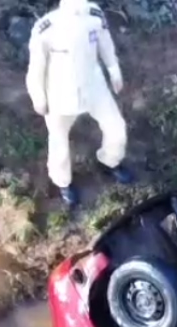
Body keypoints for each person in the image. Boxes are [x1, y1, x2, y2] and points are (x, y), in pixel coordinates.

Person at [25, 0, 135, 208]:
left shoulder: (94, 15)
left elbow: (104, 42)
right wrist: (38, 96)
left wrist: (113, 70)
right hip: (60, 92)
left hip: (93, 85)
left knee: (117, 129)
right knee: (58, 141)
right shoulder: (46, 28)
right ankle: (63, 181)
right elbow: (36, 68)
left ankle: (110, 160)